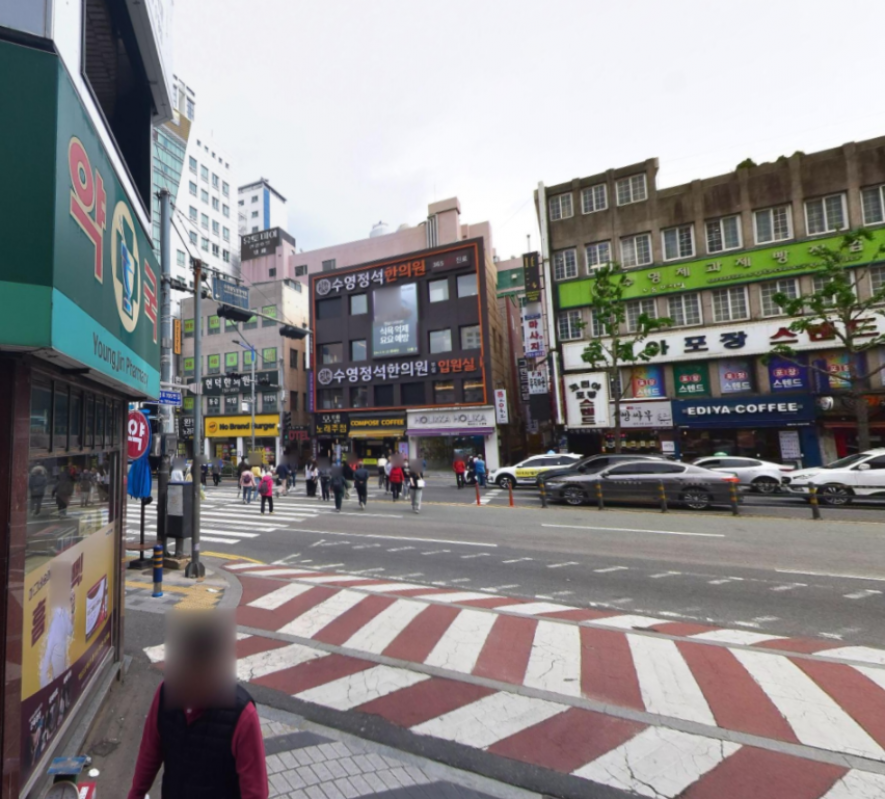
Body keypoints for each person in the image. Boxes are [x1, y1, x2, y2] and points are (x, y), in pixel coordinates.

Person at [126, 613, 268, 799]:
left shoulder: (243, 716)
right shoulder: (165, 693)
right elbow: (149, 753)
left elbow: (255, 792)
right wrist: (135, 794)